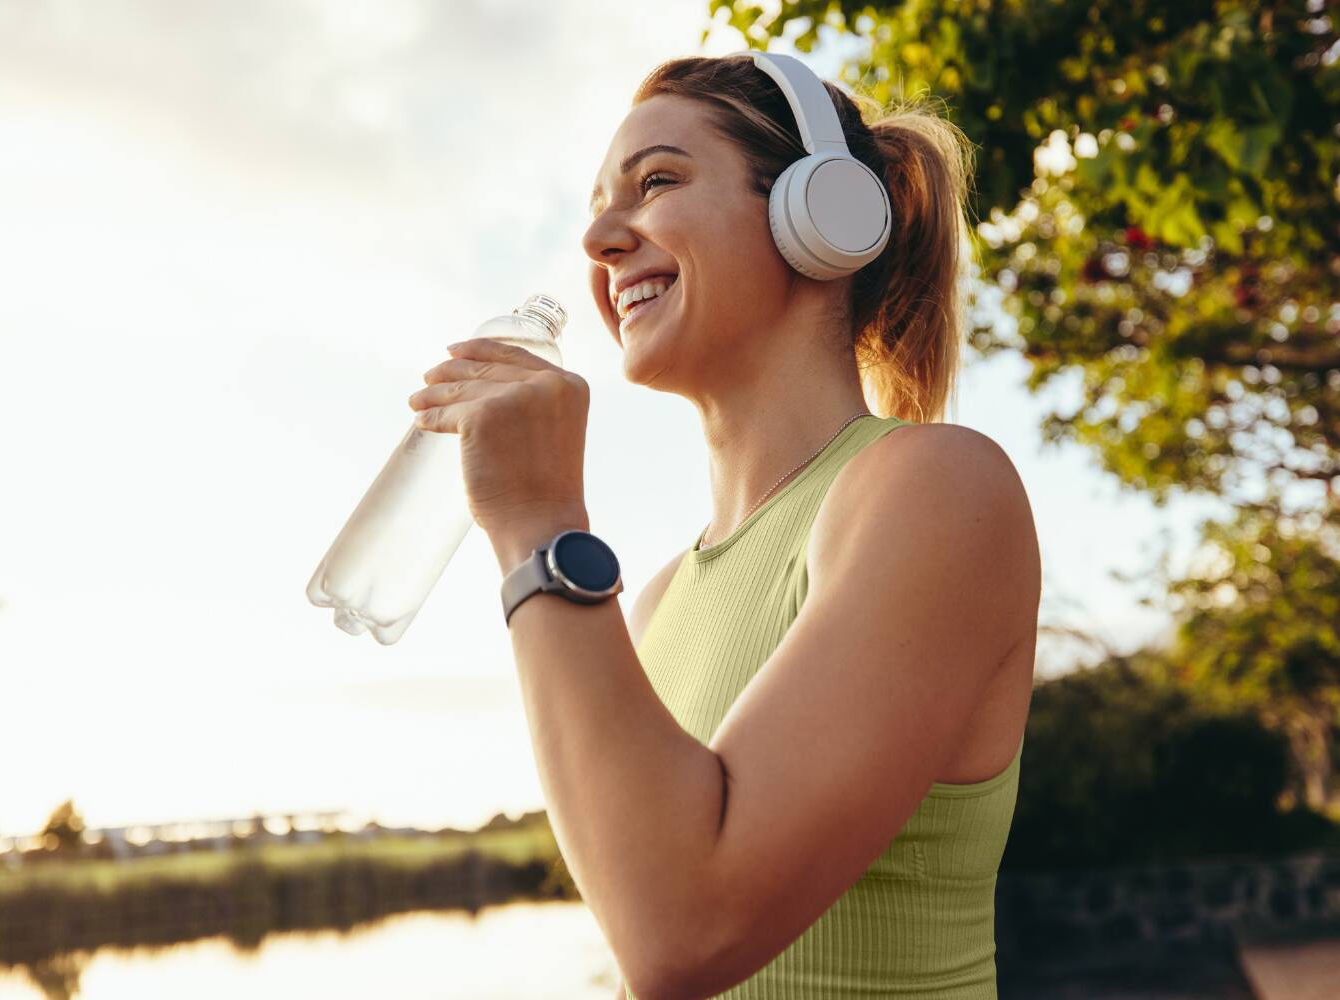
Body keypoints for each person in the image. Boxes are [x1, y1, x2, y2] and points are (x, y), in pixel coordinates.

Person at [408, 52, 1039, 1000]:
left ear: (818, 214)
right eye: (596, 203)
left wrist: (539, 526)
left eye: (656, 181)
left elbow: (683, 931)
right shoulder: (657, 600)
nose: (600, 237)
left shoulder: (937, 488)